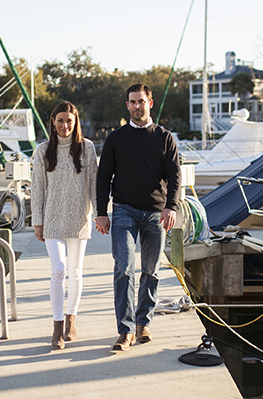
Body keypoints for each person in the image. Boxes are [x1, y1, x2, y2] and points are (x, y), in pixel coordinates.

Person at [95, 84, 180, 351]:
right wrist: (100, 212)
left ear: (150, 103)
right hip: (123, 211)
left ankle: (144, 322)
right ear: (127, 105)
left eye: (140, 101)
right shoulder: (115, 138)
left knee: (151, 271)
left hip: (156, 213)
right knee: (123, 269)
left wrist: (171, 206)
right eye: (131, 102)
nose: (136, 106)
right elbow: (103, 177)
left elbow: (175, 176)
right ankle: (126, 330)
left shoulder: (165, 137)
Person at [31, 101, 98, 350]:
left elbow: (94, 184)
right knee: (58, 269)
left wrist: (100, 214)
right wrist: (37, 220)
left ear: (76, 122)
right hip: (52, 218)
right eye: (60, 120)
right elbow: (37, 188)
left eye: (69, 120)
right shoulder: (43, 150)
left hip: (80, 217)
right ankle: (57, 325)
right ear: (52, 121)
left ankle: (72, 319)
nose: (65, 125)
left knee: (76, 271)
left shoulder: (87, 149)